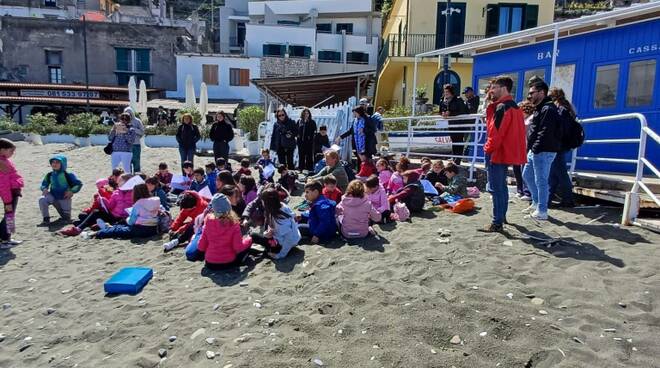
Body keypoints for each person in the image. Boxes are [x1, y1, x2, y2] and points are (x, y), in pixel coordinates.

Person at [479, 76, 526, 232]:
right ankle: (501, 217)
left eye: (494, 87)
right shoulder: (515, 107)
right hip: (506, 152)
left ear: (503, 88)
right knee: (502, 187)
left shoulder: (502, 108)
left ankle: (497, 221)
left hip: (497, 153)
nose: (491, 91)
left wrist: (487, 149)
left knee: (496, 188)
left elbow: (496, 134)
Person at [523, 80, 562, 221]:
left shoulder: (548, 109)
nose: (529, 96)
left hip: (544, 150)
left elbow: (545, 131)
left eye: (532, 93)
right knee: (526, 175)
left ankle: (542, 210)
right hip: (536, 150)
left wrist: (536, 147)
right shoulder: (540, 107)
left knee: (541, 181)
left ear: (541, 92)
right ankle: (536, 202)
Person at [61, 173, 133, 236]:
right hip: (114, 216)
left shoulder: (134, 193)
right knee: (95, 212)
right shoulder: (116, 193)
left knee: (124, 224)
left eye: (120, 181)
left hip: (126, 217)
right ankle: (78, 229)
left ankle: (105, 226)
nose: (117, 183)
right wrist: (103, 201)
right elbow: (110, 206)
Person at [193, 193, 252, 270]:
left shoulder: (208, 221)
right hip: (228, 262)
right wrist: (248, 240)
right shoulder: (233, 224)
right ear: (229, 207)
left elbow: (201, 246)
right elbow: (238, 248)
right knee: (247, 243)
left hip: (210, 263)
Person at [249, 188, 300, 259]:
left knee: (253, 236)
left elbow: (289, 240)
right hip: (289, 237)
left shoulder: (280, 221)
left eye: (263, 201)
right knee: (260, 236)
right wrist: (269, 232)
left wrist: (280, 255)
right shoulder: (280, 206)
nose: (262, 203)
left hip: (285, 244)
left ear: (267, 203)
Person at [94, 184, 159, 239]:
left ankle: (98, 233)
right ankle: (107, 228)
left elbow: (131, 222)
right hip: (153, 228)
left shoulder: (138, 204)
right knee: (120, 227)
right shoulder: (155, 200)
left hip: (141, 230)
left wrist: (127, 218)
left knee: (117, 230)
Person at [548, 87, 576, 208]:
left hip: (558, 145)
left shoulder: (560, 109)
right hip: (563, 145)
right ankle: (549, 198)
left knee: (559, 173)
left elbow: (559, 129)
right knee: (555, 173)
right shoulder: (567, 108)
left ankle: (568, 200)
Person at [38, 155, 82, 225]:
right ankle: (46, 219)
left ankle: (65, 216)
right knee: (42, 199)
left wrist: (71, 191)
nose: (54, 164)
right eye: (53, 162)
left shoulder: (68, 175)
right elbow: (44, 184)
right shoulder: (50, 175)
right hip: (53, 197)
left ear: (63, 164)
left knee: (66, 218)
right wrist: (44, 188)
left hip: (64, 198)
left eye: (57, 162)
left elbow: (78, 184)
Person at [0, 139, 24, 246]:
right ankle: (4, 240)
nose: (12, 154)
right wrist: (8, 201)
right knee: (9, 215)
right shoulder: (2, 163)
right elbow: (3, 185)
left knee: (10, 216)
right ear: (2, 150)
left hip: (13, 191)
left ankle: (7, 238)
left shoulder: (4, 160)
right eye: (11, 151)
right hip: (9, 194)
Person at [440, 84, 469, 164]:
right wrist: (442, 113)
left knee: (459, 140)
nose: (445, 93)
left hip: (459, 124)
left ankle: (458, 158)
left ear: (451, 92)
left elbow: (463, 111)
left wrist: (451, 113)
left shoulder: (458, 99)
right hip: (451, 123)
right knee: (453, 140)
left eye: (447, 92)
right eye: (445, 91)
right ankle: (454, 157)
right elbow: (441, 110)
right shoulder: (443, 100)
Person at [514, 100, 535, 200]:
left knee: (525, 170)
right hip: (519, 146)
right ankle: (520, 190)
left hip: (526, 147)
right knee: (517, 168)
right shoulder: (521, 119)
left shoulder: (530, 119)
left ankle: (528, 192)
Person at [124, 107, 144, 173]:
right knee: (127, 162)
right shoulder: (123, 121)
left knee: (136, 162)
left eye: (130, 113)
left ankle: (137, 177)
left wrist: (133, 129)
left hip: (136, 145)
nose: (128, 114)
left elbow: (142, 132)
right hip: (126, 145)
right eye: (127, 113)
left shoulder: (137, 121)